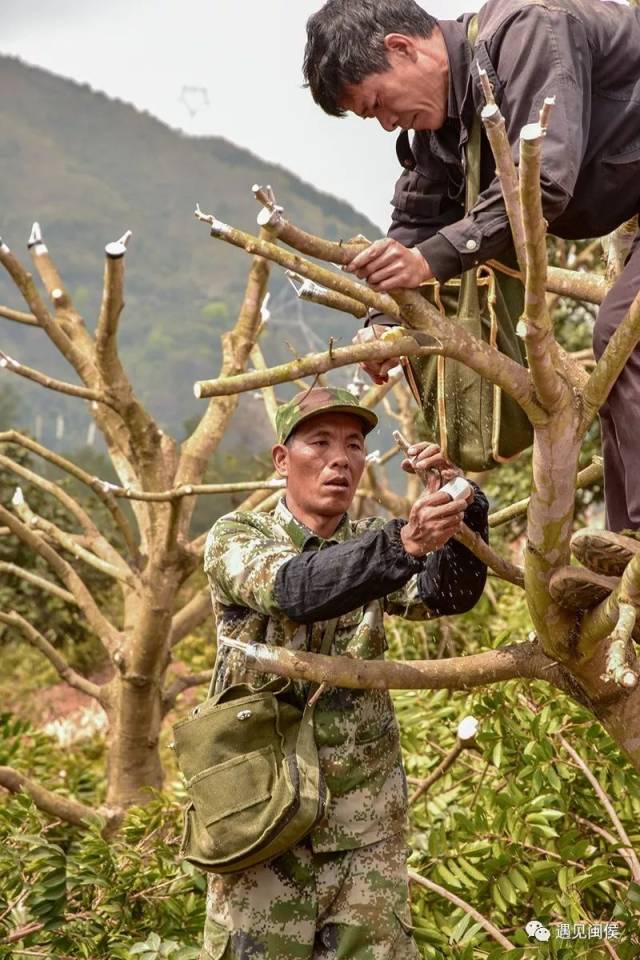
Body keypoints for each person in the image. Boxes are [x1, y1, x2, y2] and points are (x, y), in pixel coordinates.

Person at [303, 0, 640, 575]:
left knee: (624, 337)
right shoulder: (445, 121)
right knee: (617, 351)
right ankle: (628, 546)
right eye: (372, 118)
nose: (386, 123)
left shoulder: (530, 30)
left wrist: (428, 261)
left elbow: (543, 182)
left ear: (402, 48)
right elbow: (416, 219)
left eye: (378, 103)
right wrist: (384, 321)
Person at [200, 386, 488, 959]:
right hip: (262, 820)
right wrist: (404, 542)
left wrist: (463, 506)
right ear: (282, 459)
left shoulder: (372, 540)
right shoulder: (237, 537)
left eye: (354, 445)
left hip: (364, 828)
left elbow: (446, 594)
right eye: (321, 442)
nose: (341, 459)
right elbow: (295, 590)